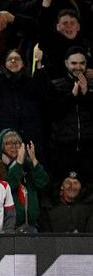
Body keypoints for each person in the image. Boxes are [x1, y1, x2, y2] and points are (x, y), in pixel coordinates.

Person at [46, 47, 93, 178]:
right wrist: (72, 96)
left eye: (82, 63)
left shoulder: (91, 86)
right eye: (74, 63)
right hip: (62, 148)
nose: (78, 67)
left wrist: (86, 93)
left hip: (88, 148)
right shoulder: (55, 85)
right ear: (66, 63)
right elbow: (53, 114)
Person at [0, 129, 49, 232]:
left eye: (17, 143)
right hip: (6, 226)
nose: (13, 146)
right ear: (2, 146)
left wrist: (34, 160)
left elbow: (43, 183)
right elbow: (7, 187)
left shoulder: (27, 164)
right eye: (8, 143)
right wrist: (18, 164)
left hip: (30, 225)